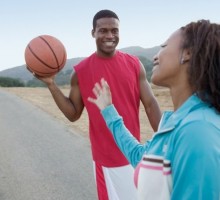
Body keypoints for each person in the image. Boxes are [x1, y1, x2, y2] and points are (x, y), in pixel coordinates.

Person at [34, 9, 161, 200]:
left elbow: (150, 104)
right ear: (93, 33)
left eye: (114, 30)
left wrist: (167, 140)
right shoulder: (81, 72)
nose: (109, 35)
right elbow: (73, 114)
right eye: (103, 30)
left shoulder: (135, 64)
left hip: (134, 153)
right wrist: (52, 85)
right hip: (105, 160)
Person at [88, 19, 220, 200]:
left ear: (187, 53)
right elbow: (139, 157)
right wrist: (109, 111)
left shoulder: (198, 130)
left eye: (164, 46)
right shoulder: (175, 122)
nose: (155, 56)